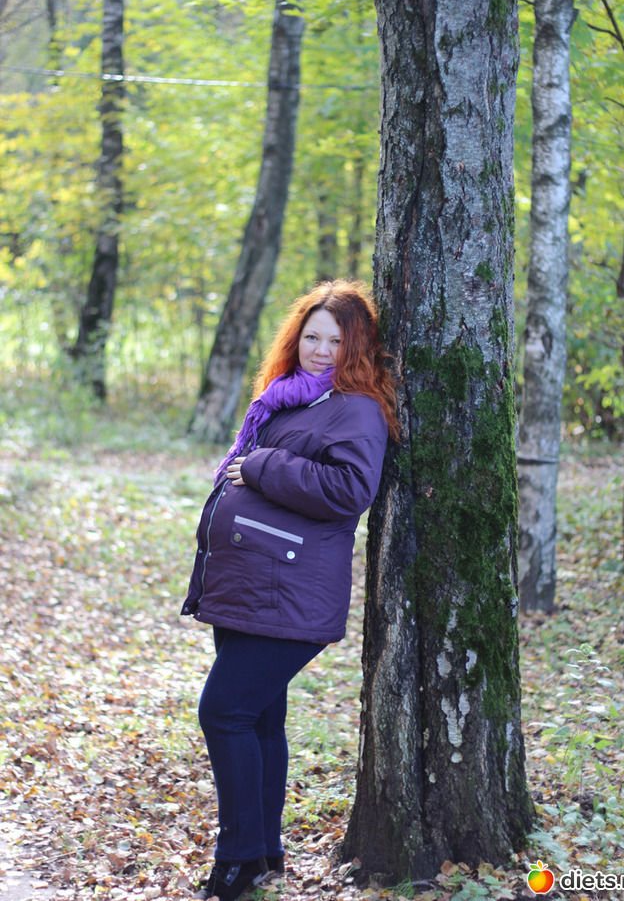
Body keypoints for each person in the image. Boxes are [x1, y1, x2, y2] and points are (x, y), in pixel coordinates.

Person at [181, 280, 399, 901]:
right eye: (312, 337)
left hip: (291, 590)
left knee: (223, 711)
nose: (321, 350)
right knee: (258, 718)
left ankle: (236, 861)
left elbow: (350, 489)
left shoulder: (356, 407)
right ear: (295, 339)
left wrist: (260, 466)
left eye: (336, 340)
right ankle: (263, 853)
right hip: (250, 582)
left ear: (357, 347)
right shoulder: (286, 397)